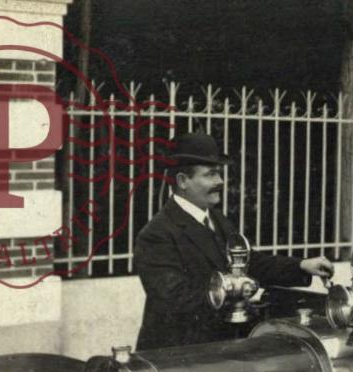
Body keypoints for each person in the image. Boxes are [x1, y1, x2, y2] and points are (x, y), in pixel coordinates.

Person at [134, 132, 335, 351]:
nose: (220, 182)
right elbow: (175, 298)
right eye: (210, 175)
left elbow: (251, 263)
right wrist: (233, 290)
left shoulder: (216, 218)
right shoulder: (156, 234)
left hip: (218, 346)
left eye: (219, 174)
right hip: (177, 354)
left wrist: (301, 266)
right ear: (183, 181)